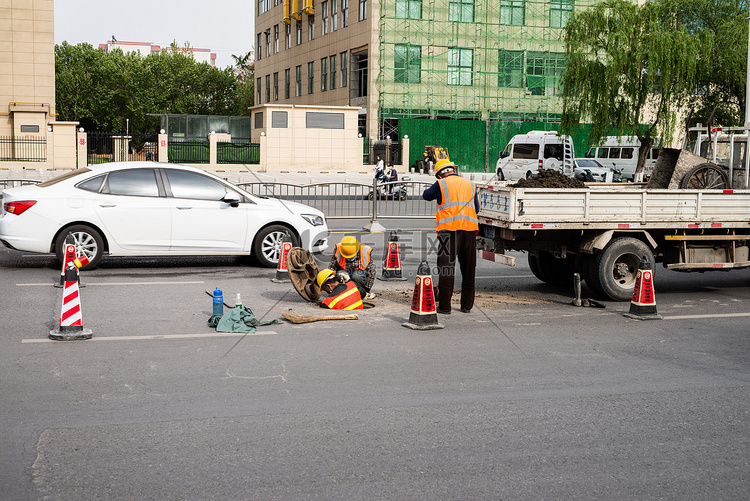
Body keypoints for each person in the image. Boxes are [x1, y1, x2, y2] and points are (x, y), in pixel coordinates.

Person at [422, 159, 479, 314]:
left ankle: (445, 307)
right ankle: (466, 306)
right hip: (469, 231)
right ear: (453, 170)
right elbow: (477, 208)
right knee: (469, 270)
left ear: (440, 174)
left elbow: (426, 195)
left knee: (446, 269)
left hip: (449, 232)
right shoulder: (471, 185)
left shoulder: (441, 184)